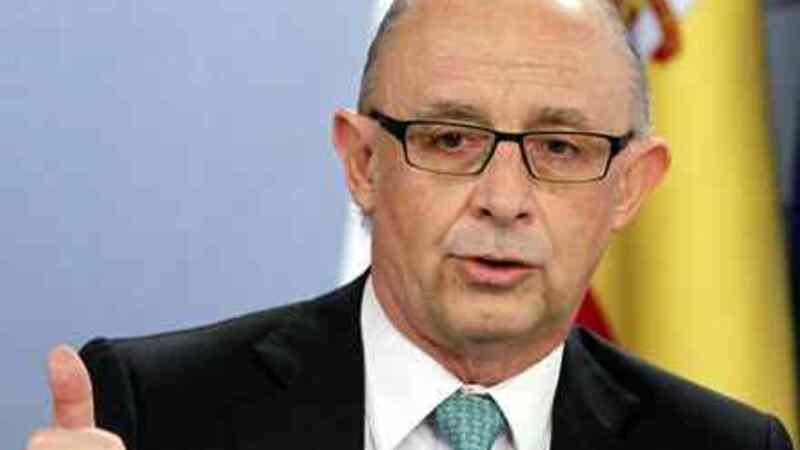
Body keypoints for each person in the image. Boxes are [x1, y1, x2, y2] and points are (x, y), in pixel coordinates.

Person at [25, 0, 794, 449]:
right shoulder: (155, 413)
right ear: (363, 161)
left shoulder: (725, 447)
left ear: (630, 186)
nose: (504, 199)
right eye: (450, 139)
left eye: (561, 148)